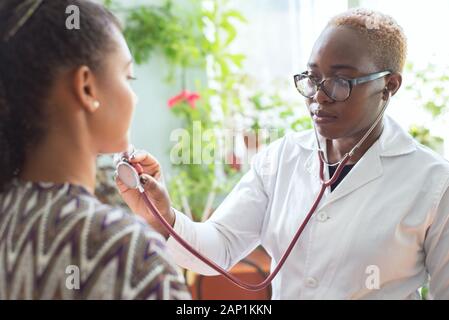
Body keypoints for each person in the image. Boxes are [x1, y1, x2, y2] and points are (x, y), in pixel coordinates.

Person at [117, 8, 449, 299]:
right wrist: (162, 215)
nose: (319, 97)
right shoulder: (282, 158)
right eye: (312, 78)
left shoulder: (432, 182)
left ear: (389, 85)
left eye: (341, 81)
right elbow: (219, 246)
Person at [0, 0, 190, 300]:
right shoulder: (124, 252)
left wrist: (155, 224)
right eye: (128, 77)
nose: (135, 98)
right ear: (87, 88)